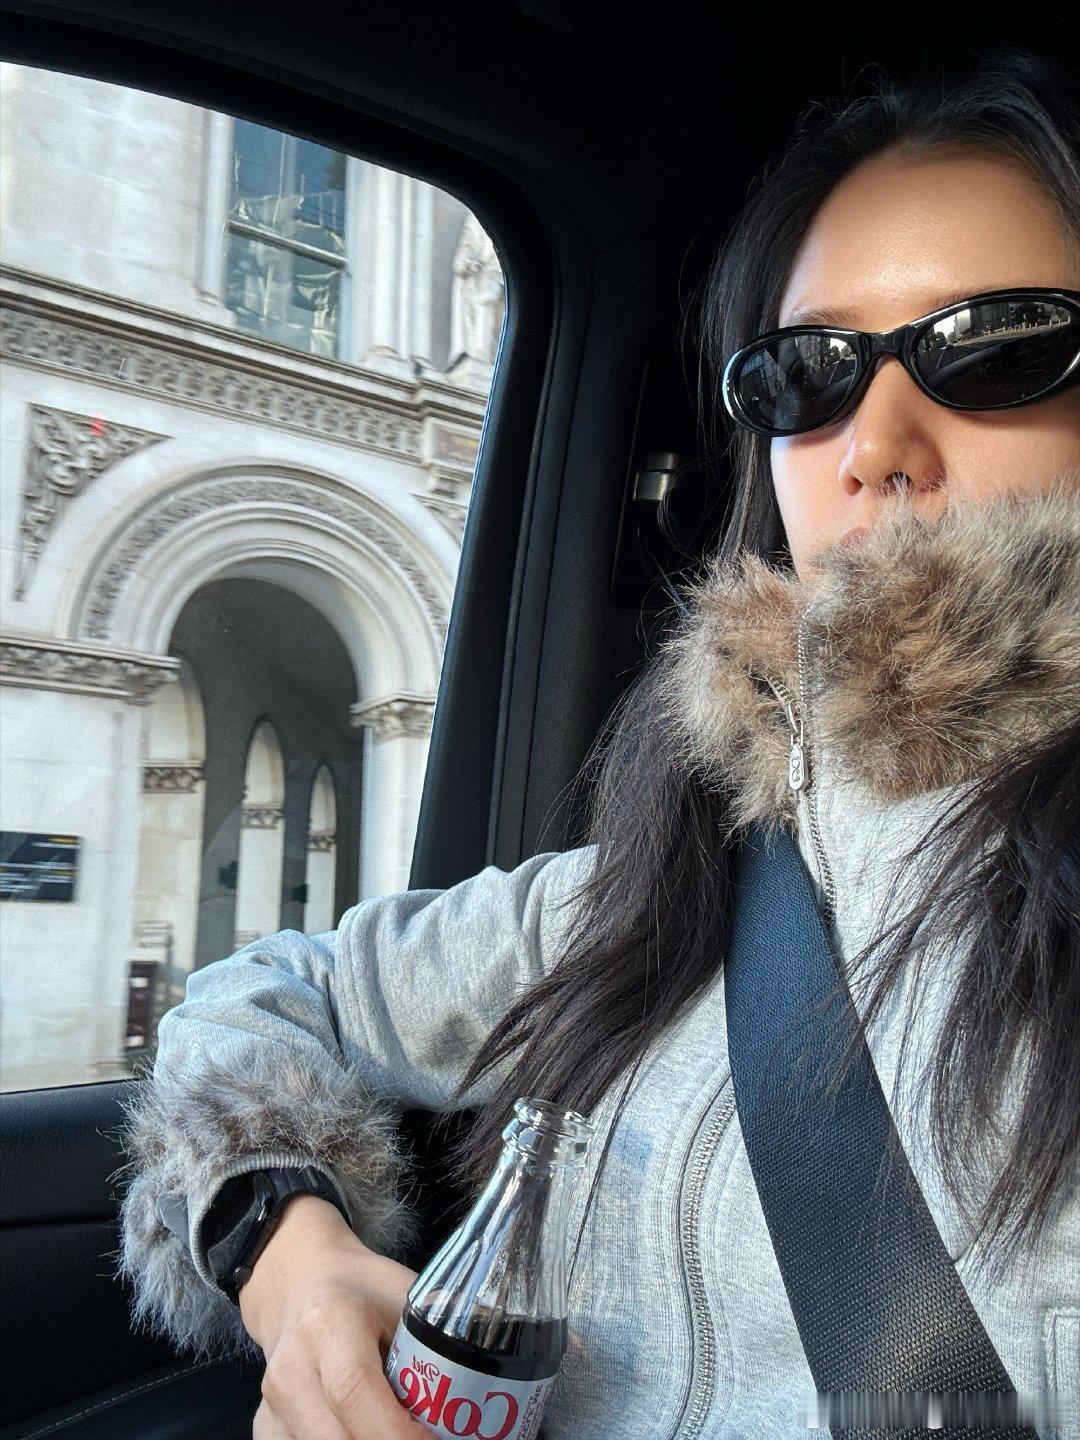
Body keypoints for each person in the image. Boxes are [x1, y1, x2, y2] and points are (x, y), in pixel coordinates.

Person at [113, 44, 1080, 1440]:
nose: (876, 441)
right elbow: (267, 994)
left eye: (997, 347)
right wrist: (291, 1254)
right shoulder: (656, 893)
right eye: (807, 374)